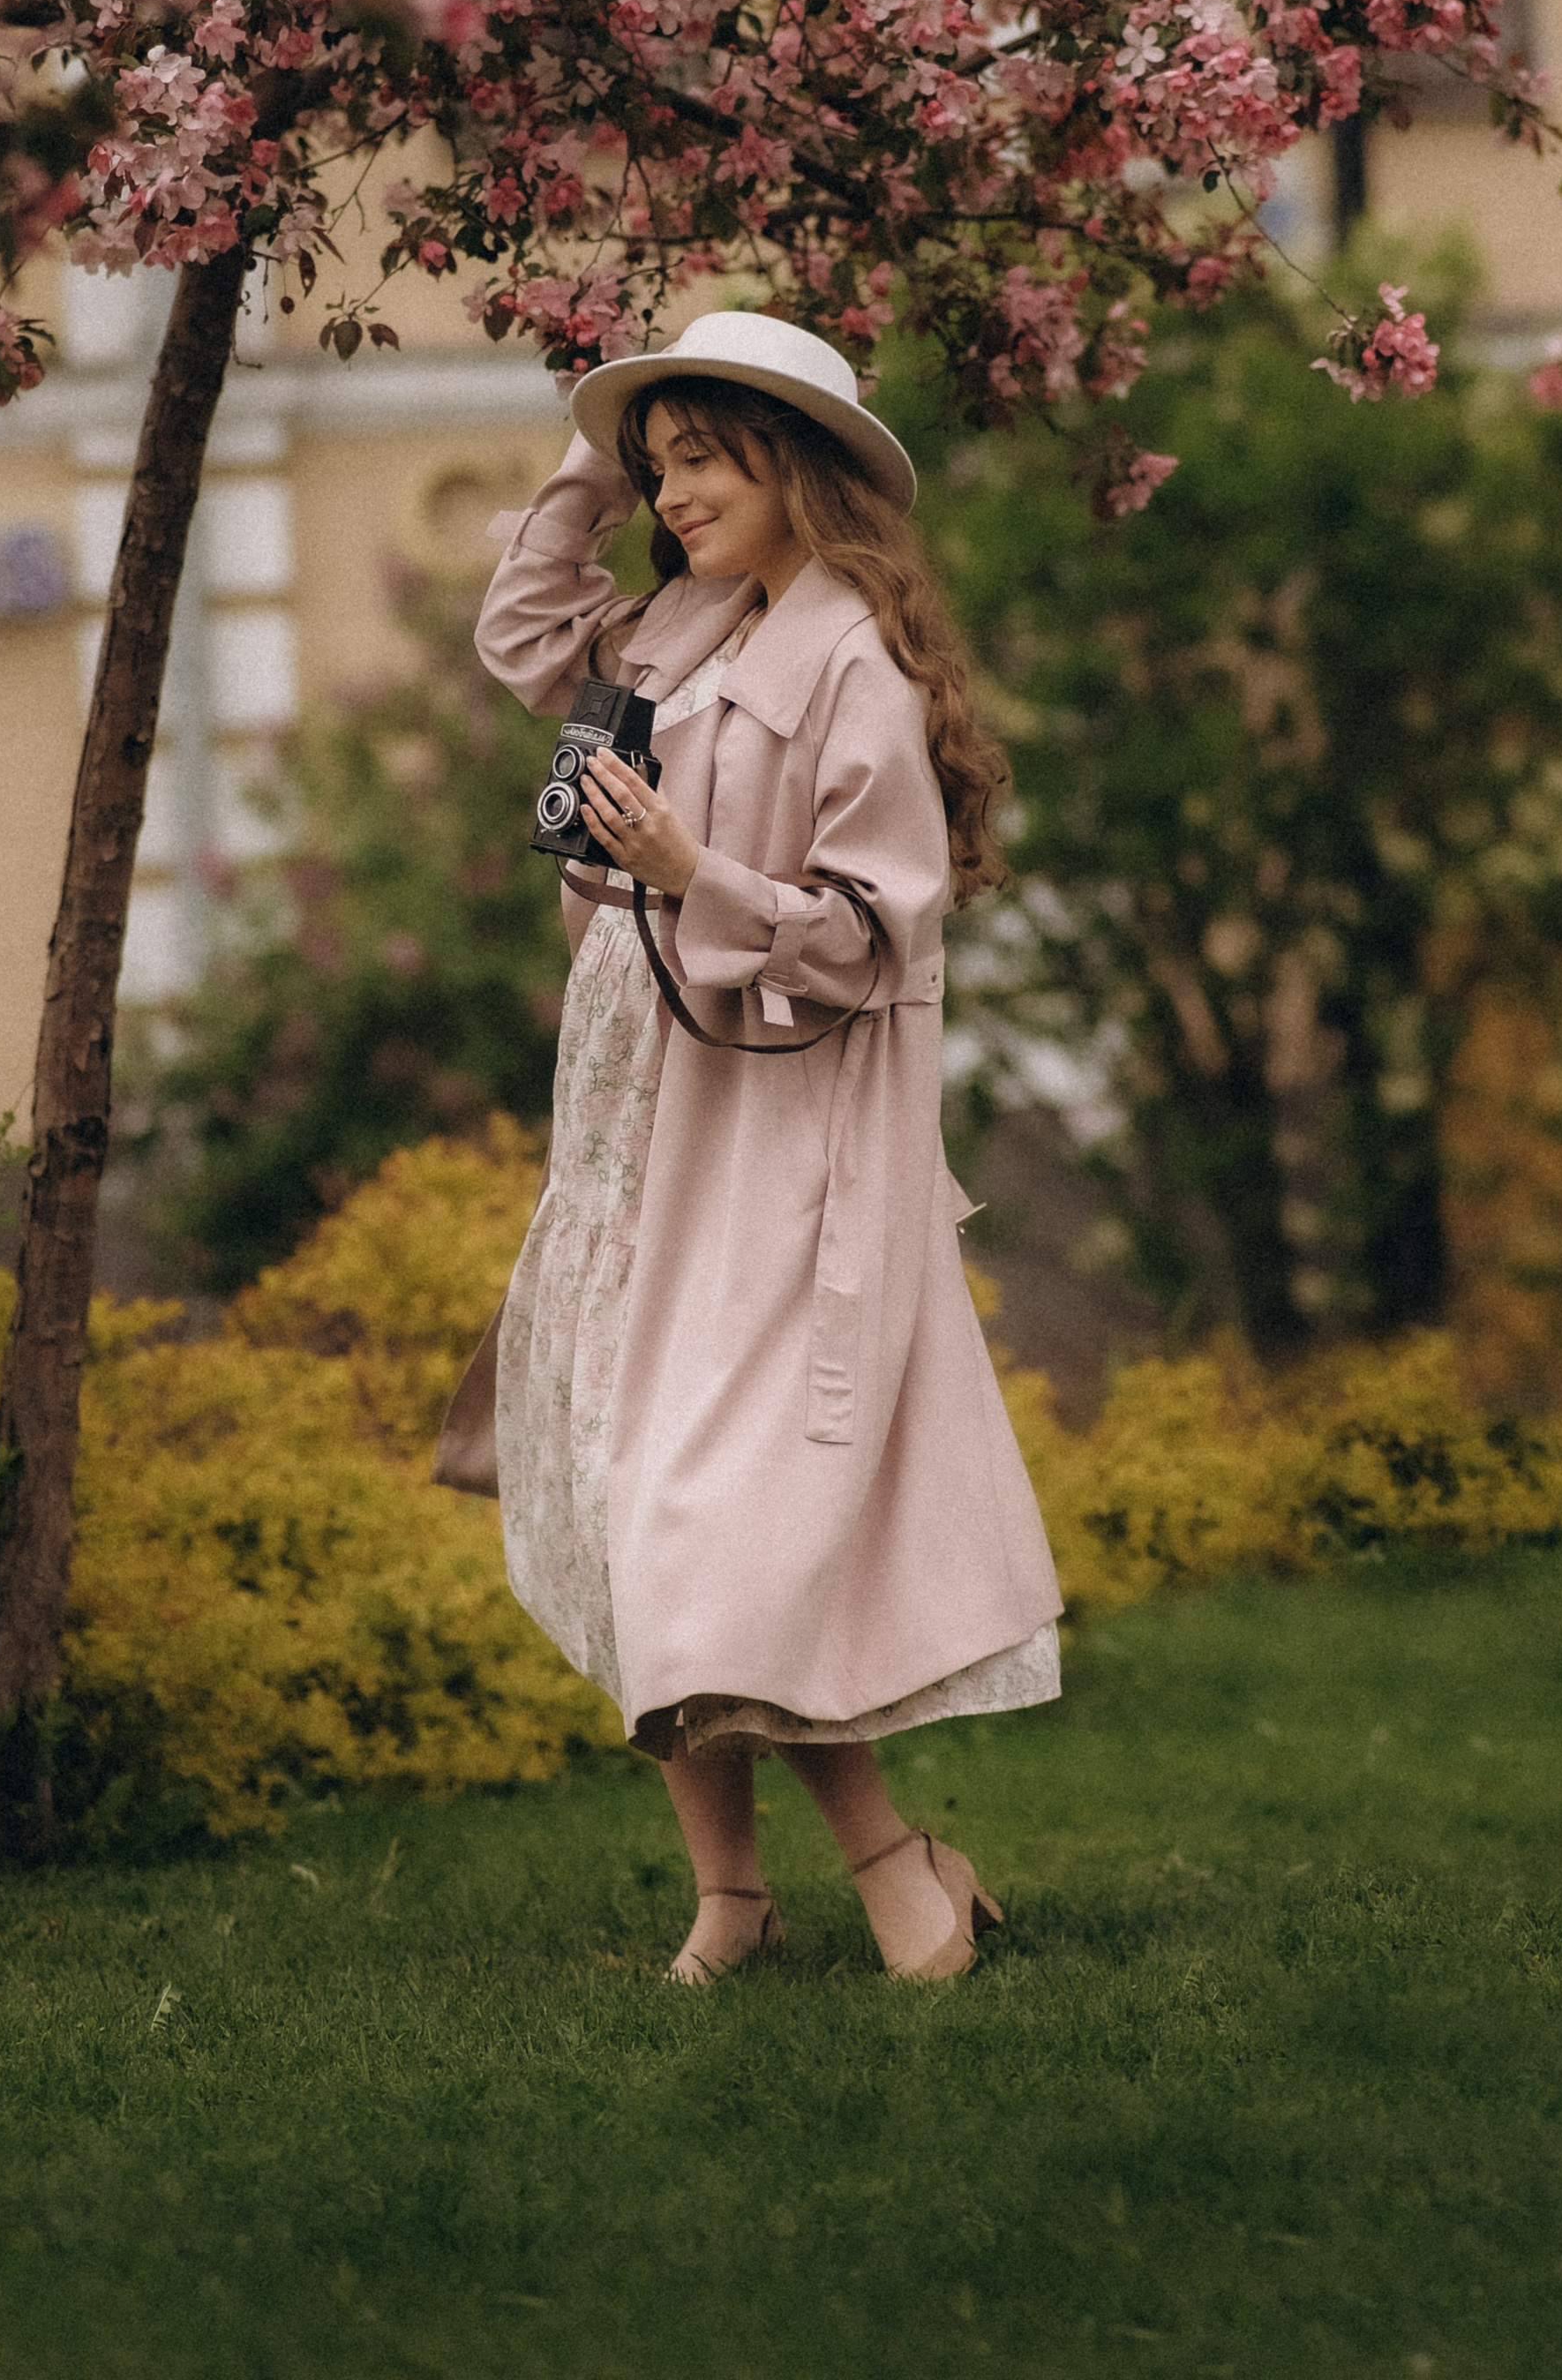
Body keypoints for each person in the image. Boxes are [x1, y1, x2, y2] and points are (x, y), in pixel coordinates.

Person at [466, 309, 1063, 1984]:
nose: (676, 494)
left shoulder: (849, 669)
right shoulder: (684, 623)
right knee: (633, 1494)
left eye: (708, 459)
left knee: (703, 1520)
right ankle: (736, 1893)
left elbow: (879, 938)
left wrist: (684, 872)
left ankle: (894, 1864)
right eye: (665, 470)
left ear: (797, 469)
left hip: (779, 1148)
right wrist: (606, 435)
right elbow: (523, 634)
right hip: (641, 1123)